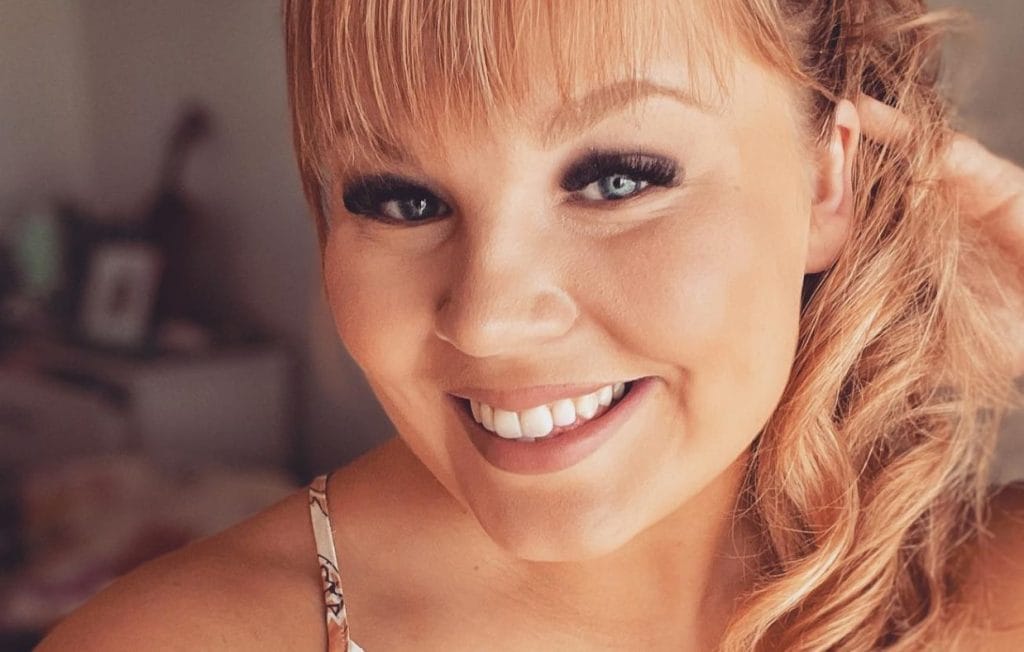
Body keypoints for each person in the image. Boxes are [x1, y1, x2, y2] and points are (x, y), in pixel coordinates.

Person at [38, 0, 1024, 649]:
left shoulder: (974, 593)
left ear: (826, 178)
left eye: (616, 179)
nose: (490, 319)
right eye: (398, 198)